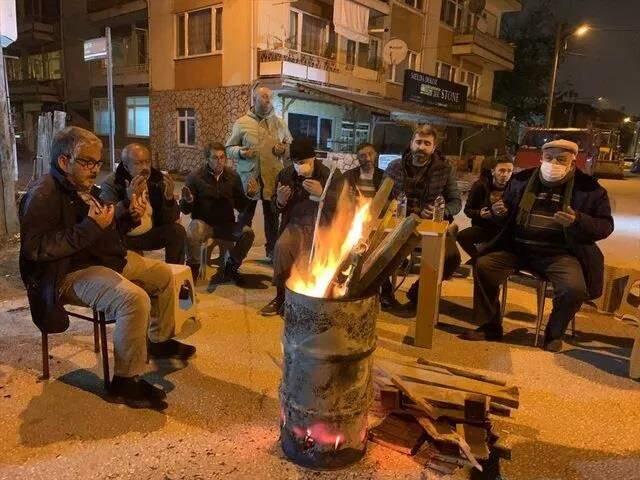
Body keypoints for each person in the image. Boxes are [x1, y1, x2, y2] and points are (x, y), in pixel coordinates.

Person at [19, 127, 195, 410]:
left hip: (101, 258)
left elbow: (106, 230)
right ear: (64, 162)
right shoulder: (43, 194)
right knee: (133, 298)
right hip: (67, 273)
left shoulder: (87, 190)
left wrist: (127, 215)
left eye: (98, 163)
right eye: (87, 162)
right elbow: (36, 249)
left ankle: (157, 339)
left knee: (164, 276)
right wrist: (90, 228)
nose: (94, 169)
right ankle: (124, 382)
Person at [462, 139, 614, 351]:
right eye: (549, 158)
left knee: (573, 289)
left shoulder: (589, 189)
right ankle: (490, 326)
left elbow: (605, 226)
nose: (554, 163)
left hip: (560, 254)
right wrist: (499, 213)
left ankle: (554, 333)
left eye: (561, 159)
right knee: (485, 265)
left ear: (573, 162)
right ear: (541, 158)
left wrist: (578, 220)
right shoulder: (521, 180)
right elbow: (505, 216)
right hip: (517, 247)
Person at [260, 137, 343, 316]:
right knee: (282, 247)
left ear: (313, 158)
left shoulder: (330, 175)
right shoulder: (285, 175)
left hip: (321, 227)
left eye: (303, 162)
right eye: (296, 162)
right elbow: (274, 208)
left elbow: (342, 206)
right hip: (295, 224)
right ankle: (281, 297)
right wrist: (280, 201)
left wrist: (323, 194)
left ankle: (311, 302)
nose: (299, 166)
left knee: (313, 259)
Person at [384, 124, 462, 312]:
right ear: (411, 144)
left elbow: (456, 203)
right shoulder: (394, 167)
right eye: (418, 142)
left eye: (427, 143)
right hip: (399, 226)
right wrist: (393, 208)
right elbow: (383, 199)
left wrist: (439, 211)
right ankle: (384, 293)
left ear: (434, 148)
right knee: (370, 249)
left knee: (452, 258)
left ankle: (418, 292)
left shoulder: (445, 169)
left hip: (430, 228)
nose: (421, 147)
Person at [226, 85, 293, 262]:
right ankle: (237, 254)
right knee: (244, 217)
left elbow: (289, 148)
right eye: (263, 97)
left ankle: (272, 252)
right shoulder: (242, 123)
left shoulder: (280, 124)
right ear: (254, 99)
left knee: (272, 218)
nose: (268, 100)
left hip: (272, 179)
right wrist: (240, 152)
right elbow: (228, 148)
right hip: (250, 180)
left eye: (270, 97)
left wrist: (284, 149)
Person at [180, 142, 257, 285]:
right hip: (203, 223)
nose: (219, 161)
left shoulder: (233, 176)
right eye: (215, 158)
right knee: (192, 232)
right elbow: (185, 210)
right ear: (207, 159)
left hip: (226, 224)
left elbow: (241, 206)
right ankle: (193, 269)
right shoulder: (195, 177)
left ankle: (231, 266)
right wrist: (188, 200)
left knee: (248, 233)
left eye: (222, 157)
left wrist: (250, 195)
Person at [100, 143, 186, 264]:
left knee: (177, 231)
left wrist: (169, 198)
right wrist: (128, 200)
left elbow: (170, 219)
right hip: (123, 236)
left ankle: (176, 273)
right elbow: (108, 217)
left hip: (149, 233)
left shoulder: (157, 180)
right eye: (138, 163)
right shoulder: (112, 183)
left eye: (147, 162)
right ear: (125, 165)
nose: (145, 167)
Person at [457, 156, 514, 258]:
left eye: (509, 171)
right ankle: (477, 258)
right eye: (501, 170)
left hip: (504, 230)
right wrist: (479, 213)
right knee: (462, 236)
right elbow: (467, 210)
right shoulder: (480, 186)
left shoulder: (514, 188)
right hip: (484, 228)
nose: (505, 174)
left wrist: (507, 212)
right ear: (493, 171)